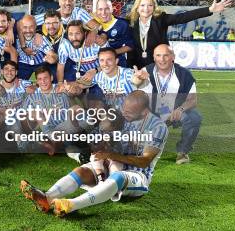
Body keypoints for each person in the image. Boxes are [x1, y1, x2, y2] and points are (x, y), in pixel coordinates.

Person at [20, 91, 168, 217]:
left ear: (144, 112)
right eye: (124, 109)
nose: (124, 113)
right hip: (110, 162)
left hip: (137, 174)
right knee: (81, 171)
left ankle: (71, 205)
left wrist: (110, 154)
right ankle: (47, 198)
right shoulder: (122, 115)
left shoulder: (157, 127)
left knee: (118, 176)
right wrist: (101, 143)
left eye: (129, 112)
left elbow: (145, 161)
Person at [126, 0, 231, 68]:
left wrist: (209, 10)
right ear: (137, 7)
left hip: (159, 65)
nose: (146, 8)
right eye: (142, 5)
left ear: (154, 7)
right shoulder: (129, 22)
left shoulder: (161, 19)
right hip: (136, 66)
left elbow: (183, 17)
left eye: (150, 5)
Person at [140, 44, 202, 165]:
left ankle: (183, 152)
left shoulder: (184, 75)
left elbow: (193, 99)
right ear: (153, 57)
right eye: (158, 55)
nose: (162, 59)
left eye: (166, 55)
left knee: (194, 118)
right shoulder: (144, 72)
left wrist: (181, 109)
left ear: (172, 57)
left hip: (174, 113)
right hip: (151, 114)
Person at [94, 0, 133, 67]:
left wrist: (112, 53)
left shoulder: (122, 24)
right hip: (97, 63)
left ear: (112, 9)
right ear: (96, 11)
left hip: (118, 62)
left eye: (107, 9)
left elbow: (130, 46)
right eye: (100, 9)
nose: (103, 12)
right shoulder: (92, 23)